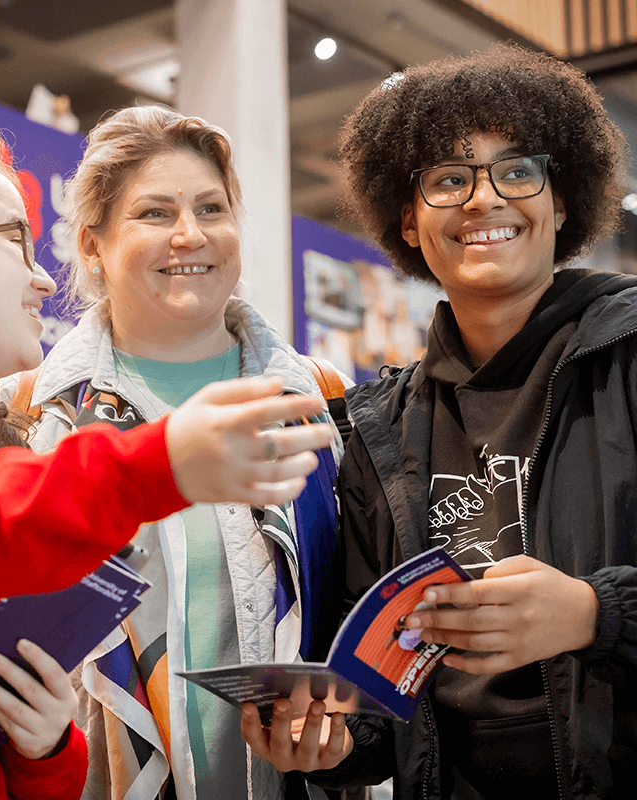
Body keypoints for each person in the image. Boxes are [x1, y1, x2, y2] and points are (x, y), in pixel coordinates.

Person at [0, 126, 333, 800]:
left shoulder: (321, 398)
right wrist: (152, 465)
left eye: (213, 208)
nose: (41, 276)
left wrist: (39, 747)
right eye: (15, 239)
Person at [242, 43, 637, 800]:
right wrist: (330, 746)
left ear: (562, 201)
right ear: (412, 224)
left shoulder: (627, 357)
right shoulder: (377, 427)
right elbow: (384, 701)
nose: (484, 199)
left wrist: (594, 612)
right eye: (450, 180)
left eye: (516, 171)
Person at [4, 105, 347, 800]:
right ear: (92, 247)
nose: (190, 235)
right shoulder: (28, 413)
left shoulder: (322, 398)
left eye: (211, 208)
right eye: (154, 214)